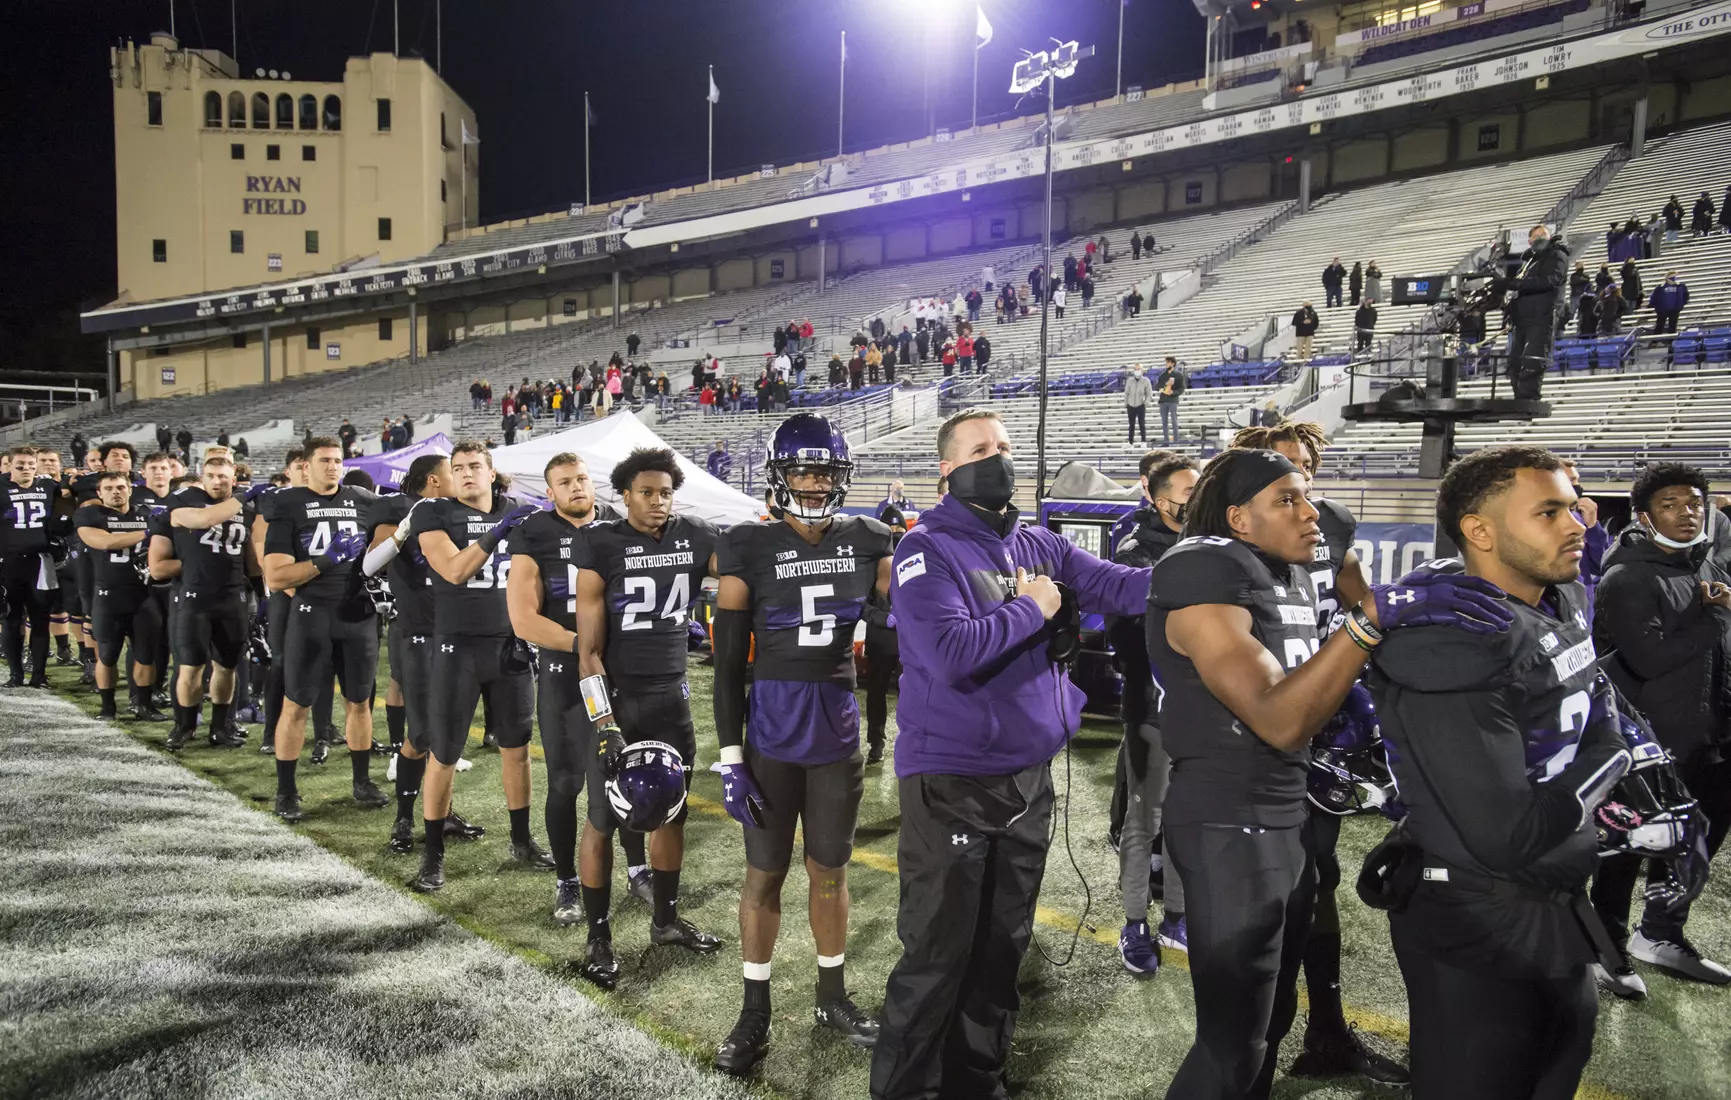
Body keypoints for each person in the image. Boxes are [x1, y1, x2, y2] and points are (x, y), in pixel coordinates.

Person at [1147, 448, 1509, 1100]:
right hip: (1228, 823)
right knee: (1228, 1045)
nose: (1310, 512)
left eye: (1306, 495)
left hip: (1282, 815)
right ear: (1237, 518)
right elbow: (1279, 718)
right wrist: (1369, 620)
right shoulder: (1205, 569)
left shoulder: (1273, 572)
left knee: (1268, 1023)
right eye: (1287, 499)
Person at [868, 409, 1152, 1100]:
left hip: (1027, 782)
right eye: (978, 449)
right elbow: (948, 653)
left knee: (1000, 953)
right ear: (947, 467)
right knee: (938, 957)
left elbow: (1122, 585)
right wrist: (1033, 606)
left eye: (1003, 446)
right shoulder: (924, 549)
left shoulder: (1038, 543)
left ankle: (977, 1082)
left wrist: (1213, 563)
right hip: (953, 781)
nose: (996, 458)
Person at [1368, 445, 1632, 1100]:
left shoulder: (1558, 596)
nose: (1575, 524)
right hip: (1478, 912)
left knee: (1558, 1062)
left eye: (1572, 507)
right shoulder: (1452, 634)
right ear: (1479, 531)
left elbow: (1603, 718)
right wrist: (1612, 762)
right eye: (1549, 512)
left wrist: (1603, 757)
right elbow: (1507, 835)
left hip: (1554, 901)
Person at [709, 415, 892, 1073]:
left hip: (836, 730)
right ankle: (753, 1011)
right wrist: (731, 758)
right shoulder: (746, 546)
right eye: (803, 471)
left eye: (825, 472)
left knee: (829, 872)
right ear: (779, 475)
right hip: (772, 734)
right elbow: (728, 665)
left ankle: (831, 995)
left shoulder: (872, 540)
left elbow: (906, 618)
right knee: (763, 874)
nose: (815, 484)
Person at [1229, 422, 1406, 1086]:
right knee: (1266, 902)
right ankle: (1256, 1052)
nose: (1297, 484)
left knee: (1315, 882)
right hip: (1254, 738)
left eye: (1305, 468)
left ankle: (1325, 1035)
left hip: (1317, 737)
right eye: (1282, 472)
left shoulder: (1327, 525)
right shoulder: (1228, 545)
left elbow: (1361, 606)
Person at [572, 447, 724, 986]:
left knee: (673, 812)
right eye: (646, 492)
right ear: (625, 494)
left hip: (671, 698)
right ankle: (598, 935)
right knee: (601, 818)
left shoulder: (697, 534)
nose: (657, 502)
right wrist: (603, 721)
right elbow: (587, 651)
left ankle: (664, 920)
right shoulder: (600, 542)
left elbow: (738, 577)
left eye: (664, 492)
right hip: (620, 698)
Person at [1591, 462, 1731, 986]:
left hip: (1712, 736)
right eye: (1670, 505)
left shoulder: (1707, 568)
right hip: (1651, 744)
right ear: (1644, 515)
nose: (1686, 513)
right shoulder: (1628, 574)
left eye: (1694, 503)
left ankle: (1659, 933)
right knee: (1629, 846)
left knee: (1699, 840)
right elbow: (1649, 659)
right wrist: (1716, 616)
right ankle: (1604, 947)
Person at [407, 442, 548, 890]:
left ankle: (522, 840)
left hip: (510, 646)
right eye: (459, 467)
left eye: (475, 467)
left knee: (517, 749)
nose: (467, 474)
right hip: (458, 648)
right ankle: (432, 855)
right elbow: (451, 570)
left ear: (491, 473)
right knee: (445, 752)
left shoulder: (519, 511)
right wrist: (495, 533)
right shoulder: (434, 512)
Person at [360, 453, 484, 855]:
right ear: (434, 480)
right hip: (418, 633)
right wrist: (400, 534)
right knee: (423, 733)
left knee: (446, 736)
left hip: (458, 631)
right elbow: (369, 565)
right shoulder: (400, 508)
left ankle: (442, 813)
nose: (461, 478)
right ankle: (404, 816)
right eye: (454, 471)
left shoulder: (461, 512)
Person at [1106, 450, 1199, 977]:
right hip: (1153, 701)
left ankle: (1179, 916)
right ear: (1157, 497)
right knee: (1145, 821)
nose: (1195, 501)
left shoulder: (1211, 541)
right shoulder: (1137, 546)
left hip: (1200, 705)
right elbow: (1130, 629)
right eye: (1188, 492)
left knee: (1185, 817)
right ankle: (1135, 922)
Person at [260, 439, 387, 816]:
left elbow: (395, 528)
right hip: (311, 612)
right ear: (306, 465)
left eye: (337, 460)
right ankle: (286, 790)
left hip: (357, 614)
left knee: (359, 702)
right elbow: (276, 576)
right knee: (296, 703)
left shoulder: (363, 499)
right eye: (325, 461)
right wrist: (323, 562)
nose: (333, 467)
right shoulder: (288, 504)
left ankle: (361, 781)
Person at [505, 453, 607, 926]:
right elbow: (523, 619)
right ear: (550, 492)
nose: (576, 487)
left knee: (619, 777)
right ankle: (567, 879)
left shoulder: (614, 525)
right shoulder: (535, 533)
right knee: (567, 782)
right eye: (565, 482)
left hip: (615, 673)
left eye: (582, 478)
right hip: (567, 673)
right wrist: (583, 646)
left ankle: (639, 869)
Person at [155, 453, 258, 751]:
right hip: (193, 596)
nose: (217, 481)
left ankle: (221, 726)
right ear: (201, 478)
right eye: (211, 476)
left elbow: (252, 561)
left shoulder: (247, 509)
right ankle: (184, 725)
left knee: (227, 666)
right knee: (191, 665)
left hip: (232, 597)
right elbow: (203, 519)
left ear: (233, 479)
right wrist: (242, 499)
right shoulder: (184, 500)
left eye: (223, 476)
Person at [72, 471, 164, 720]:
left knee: (146, 655)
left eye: (121, 487)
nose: (116, 492)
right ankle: (108, 707)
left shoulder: (146, 514)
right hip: (108, 595)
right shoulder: (90, 514)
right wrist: (149, 533)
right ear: (99, 493)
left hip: (143, 595)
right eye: (109, 488)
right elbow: (105, 542)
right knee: (108, 655)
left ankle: (144, 706)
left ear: (130, 490)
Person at [2, 448, 68, 686]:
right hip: (7, 563)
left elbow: (71, 492)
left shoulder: (49, 486)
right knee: (11, 619)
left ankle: (39, 675)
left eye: (31, 464)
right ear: (9, 466)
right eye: (20, 465)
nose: (26, 469)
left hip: (40, 562)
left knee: (40, 619)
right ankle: (16, 674)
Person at [1501, 224, 1570, 400]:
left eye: (1543, 235)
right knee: (1514, 362)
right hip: (1522, 315)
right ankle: (1519, 398)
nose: (1539, 238)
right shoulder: (1528, 262)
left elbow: (1551, 280)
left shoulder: (1557, 254)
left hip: (1543, 313)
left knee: (1533, 357)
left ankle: (1529, 398)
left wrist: (1515, 284)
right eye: (1536, 236)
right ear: (1529, 241)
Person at [1155, 357, 1185, 446]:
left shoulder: (1179, 375)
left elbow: (1182, 388)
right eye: (1166, 362)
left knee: (1174, 420)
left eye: (1168, 362)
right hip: (1163, 400)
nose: (1166, 364)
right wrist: (1163, 387)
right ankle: (1166, 441)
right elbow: (1157, 386)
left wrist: (1173, 392)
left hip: (1173, 400)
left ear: (1173, 364)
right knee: (1164, 422)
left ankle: (1176, 441)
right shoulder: (1162, 375)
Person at [1124, 363, 1153, 443]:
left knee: (1142, 425)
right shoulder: (1129, 381)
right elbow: (1126, 392)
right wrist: (1126, 403)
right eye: (1136, 369)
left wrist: (1146, 402)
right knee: (1131, 425)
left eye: (1139, 369)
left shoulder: (1146, 381)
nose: (1137, 371)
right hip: (1130, 405)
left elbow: (1149, 393)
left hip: (1140, 405)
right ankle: (1130, 442)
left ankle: (1143, 441)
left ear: (1142, 370)